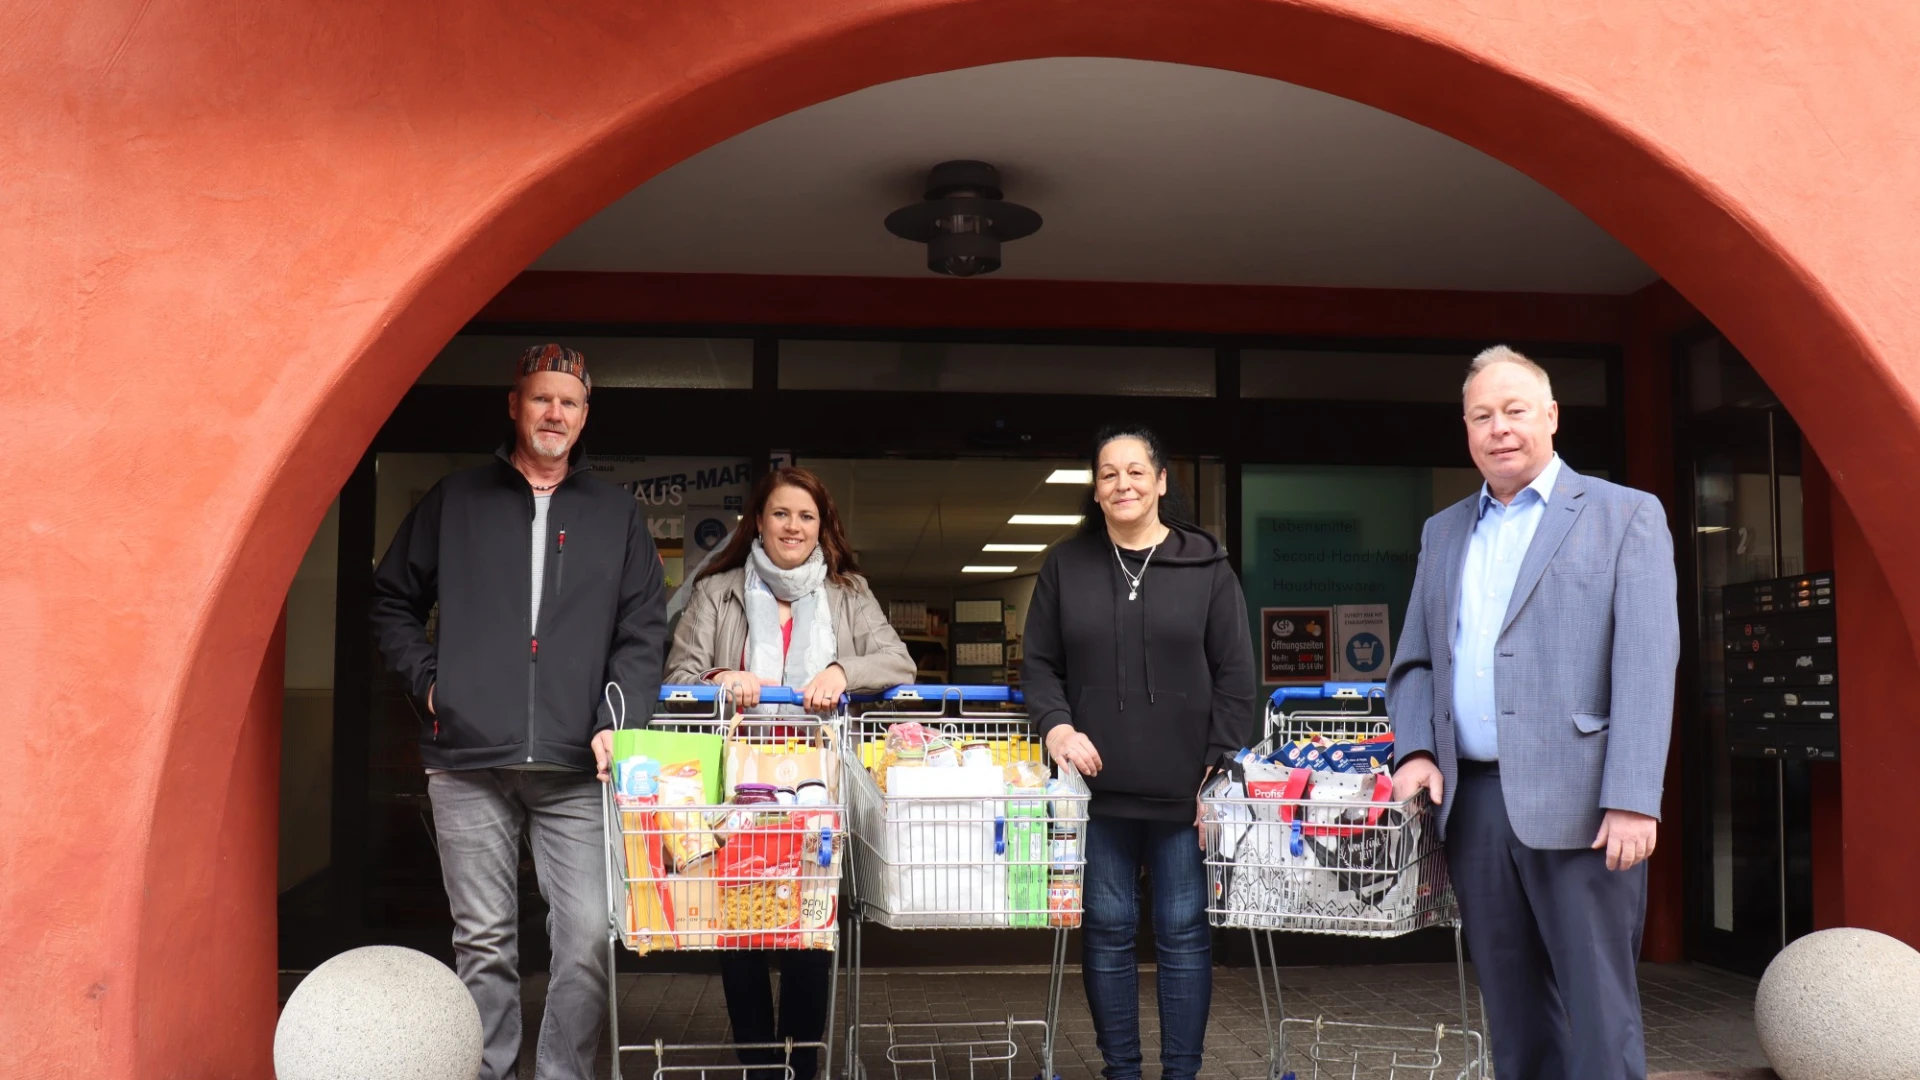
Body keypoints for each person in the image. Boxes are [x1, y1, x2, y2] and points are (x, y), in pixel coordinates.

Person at [370, 344, 668, 1080]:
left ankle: (562, 1072)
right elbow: (391, 601)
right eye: (541, 399)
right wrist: (436, 684)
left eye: (568, 403)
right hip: (467, 761)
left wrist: (615, 720)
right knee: (484, 943)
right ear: (515, 406)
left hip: (576, 766)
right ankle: (489, 1071)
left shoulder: (616, 514)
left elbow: (642, 632)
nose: (554, 414)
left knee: (587, 941)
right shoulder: (456, 499)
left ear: (585, 415)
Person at [1387, 346, 1679, 1080]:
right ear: (1466, 429)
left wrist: (1633, 799)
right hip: (1476, 805)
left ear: (1551, 416)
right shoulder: (1443, 531)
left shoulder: (1625, 515)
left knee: (1598, 1015)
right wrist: (1416, 750)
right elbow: (1416, 661)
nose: (1500, 428)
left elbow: (1647, 667)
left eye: (1515, 411)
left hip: (1586, 808)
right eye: (1482, 416)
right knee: (1513, 1018)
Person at [664, 464, 914, 1080]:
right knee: (741, 932)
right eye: (781, 513)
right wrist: (721, 679)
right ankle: (759, 1065)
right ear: (760, 520)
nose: (793, 526)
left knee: (810, 927)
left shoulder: (848, 592)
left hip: (815, 784)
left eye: (807, 516)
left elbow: (899, 663)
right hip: (738, 786)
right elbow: (676, 679)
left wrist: (841, 671)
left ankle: (800, 1065)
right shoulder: (717, 591)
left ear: (822, 527)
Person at [1023, 425, 1256, 1080]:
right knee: (1107, 930)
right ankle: (1120, 1071)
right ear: (1095, 491)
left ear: (1160, 482)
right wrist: (1058, 728)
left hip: (1185, 789)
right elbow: (1038, 665)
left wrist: (1217, 761)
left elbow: (1238, 673)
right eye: (1107, 474)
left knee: (1183, 933)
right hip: (1096, 791)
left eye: (1134, 471)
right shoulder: (1067, 566)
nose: (1121, 483)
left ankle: (1181, 1073)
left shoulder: (1207, 567)